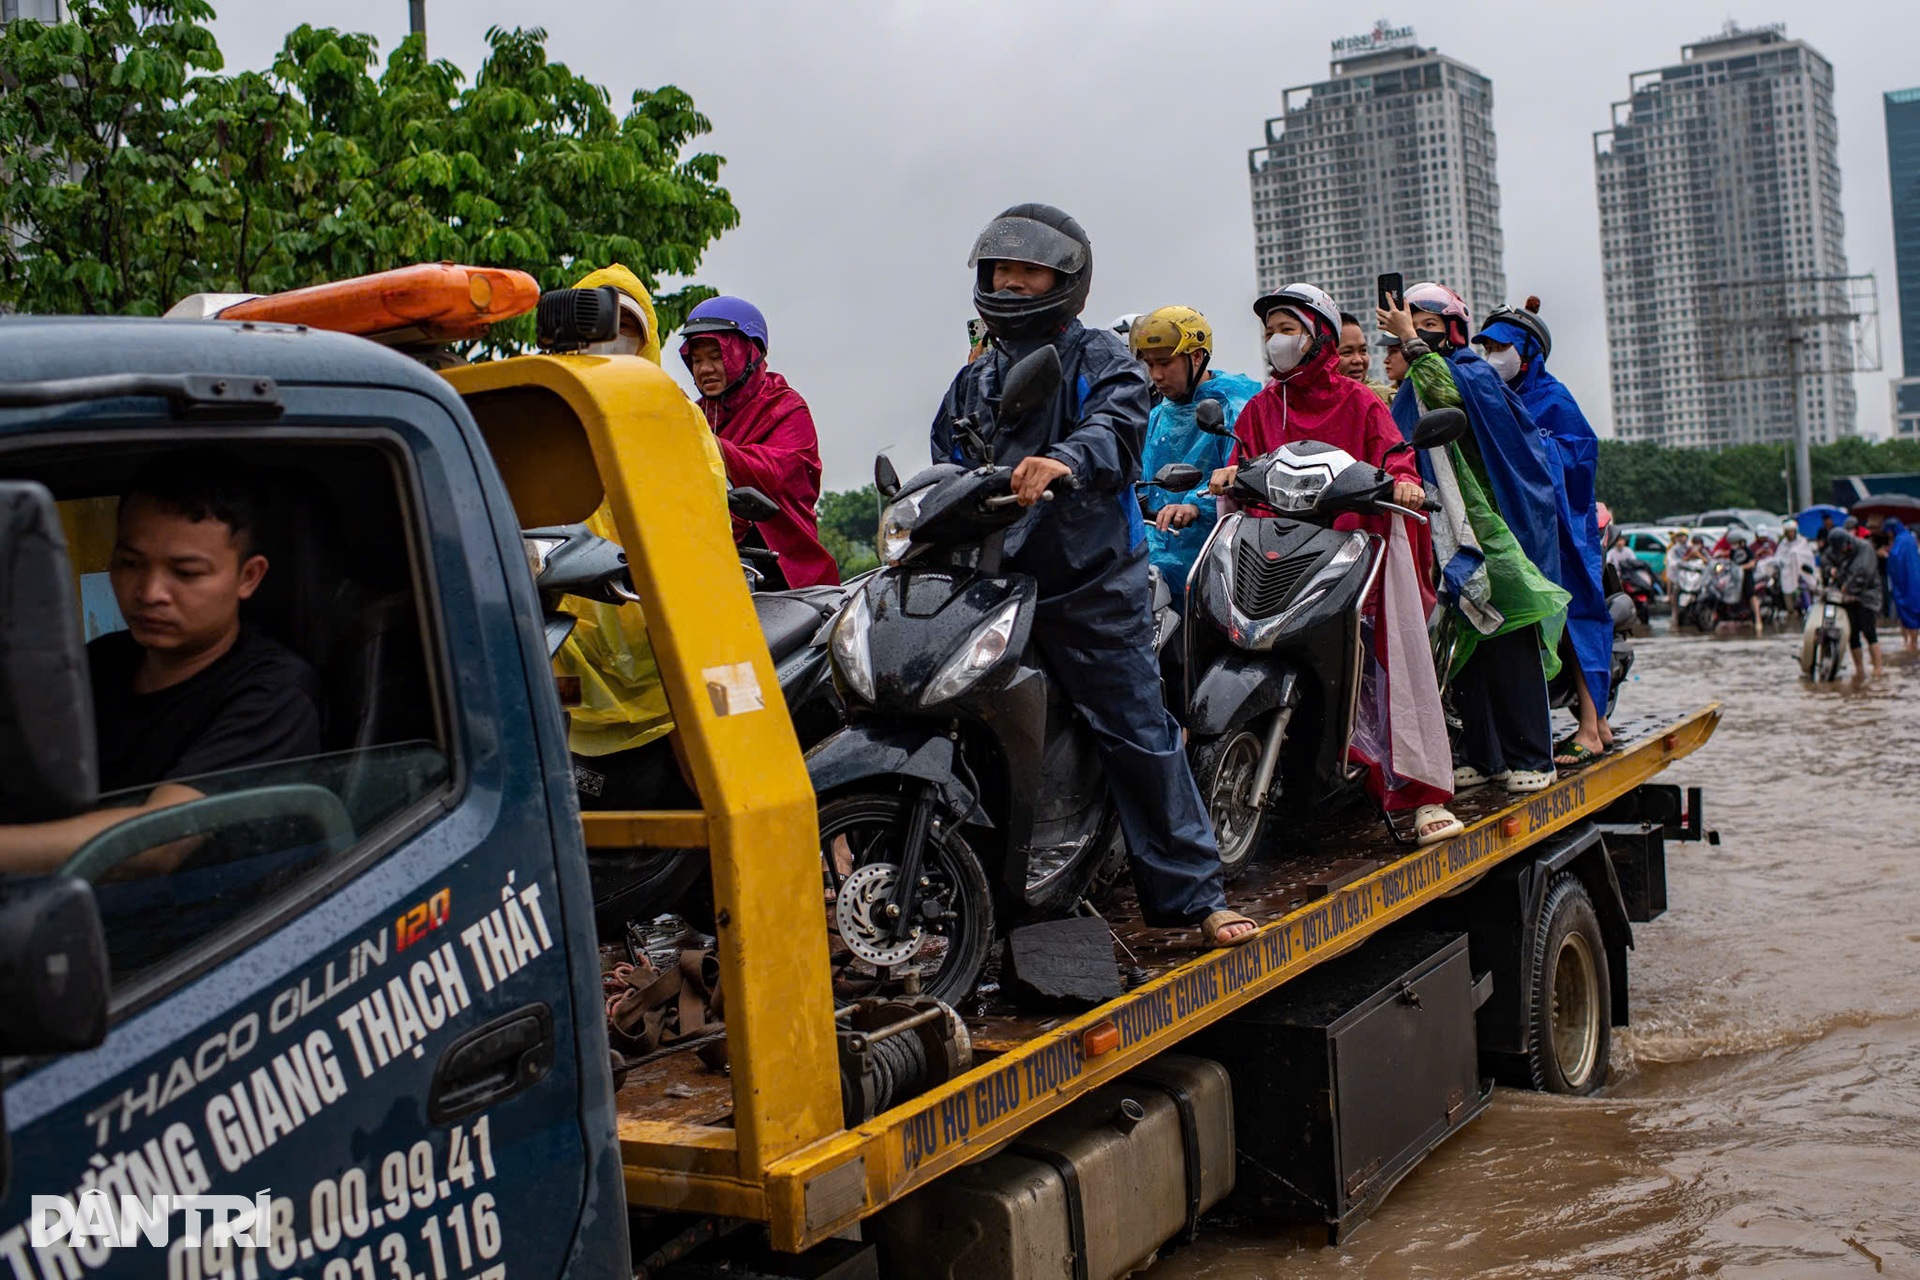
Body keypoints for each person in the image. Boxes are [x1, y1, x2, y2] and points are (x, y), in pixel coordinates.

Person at [934, 203, 1253, 946]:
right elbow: (949, 460)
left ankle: (1196, 895)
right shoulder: (974, 378)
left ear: (1065, 280)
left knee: (1135, 727)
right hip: (996, 581)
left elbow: (1115, 427)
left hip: (1090, 581)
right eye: (1001, 271)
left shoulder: (1099, 358)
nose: (1011, 283)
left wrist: (1065, 459)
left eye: (1028, 271)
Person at [1207, 283, 1462, 845]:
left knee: (1382, 663)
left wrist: (1405, 481)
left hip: (1348, 554)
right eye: (1270, 331)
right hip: (1275, 553)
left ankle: (1418, 793)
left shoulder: (1360, 402)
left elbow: (1396, 455)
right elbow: (1241, 460)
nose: (1276, 341)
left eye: (1288, 329)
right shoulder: (1261, 406)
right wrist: (1227, 474)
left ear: (1317, 335)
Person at [0, 450, 322, 874]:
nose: (150, 592)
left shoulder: (274, 695)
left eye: (186, 573)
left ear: (248, 577)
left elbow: (157, 844)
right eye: (130, 563)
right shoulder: (102, 661)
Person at [1381, 283, 1569, 795]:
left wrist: (1411, 344)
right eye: (1411, 325)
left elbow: (1449, 398)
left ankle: (1532, 754)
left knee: (1506, 640)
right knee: (1463, 643)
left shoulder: (1471, 372)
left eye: (1428, 325)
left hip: (1492, 528)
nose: (1416, 333)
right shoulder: (1412, 384)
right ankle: (1483, 755)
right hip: (1442, 525)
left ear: (1453, 330)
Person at [1472, 299, 1614, 767]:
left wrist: (1531, 446)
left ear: (1529, 353)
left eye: (1501, 348)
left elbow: (1578, 457)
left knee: (1577, 622)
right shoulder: (1490, 397)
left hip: (1562, 529)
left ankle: (1590, 728)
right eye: (1486, 348)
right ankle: (1595, 724)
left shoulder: (1554, 399)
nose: (1492, 357)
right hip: (1517, 529)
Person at [678, 296, 839, 590]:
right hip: (703, 562)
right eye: (697, 360)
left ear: (750, 353)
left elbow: (779, 476)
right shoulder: (694, 416)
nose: (704, 369)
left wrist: (706, 441)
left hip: (782, 573)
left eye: (716, 356)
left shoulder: (786, 407)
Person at [1129, 306, 1258, 606]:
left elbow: (1245, 476)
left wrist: (1195, 506)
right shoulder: (1158, 415)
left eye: (1165, 363)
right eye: (1149, 364)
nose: (1156, 375)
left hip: (1217, 563)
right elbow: (1144, 482)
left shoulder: (1233, 407)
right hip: (1158, 557)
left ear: (1196, 357)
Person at [1824, 527, 1885, 678]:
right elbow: (1827, 559)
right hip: (1848, 598)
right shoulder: (1842, 550)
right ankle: (1859, 670)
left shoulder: (1865, 548)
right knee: (1852, 634)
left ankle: (1878, 669)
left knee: (1869, 632)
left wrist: (1847, 589)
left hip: (1867, 597)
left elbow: (1864, 574)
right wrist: (1831, 571)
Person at [1884, 518, 1920, 653]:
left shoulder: (1901, 540)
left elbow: (1896, 558)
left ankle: (1910, 644)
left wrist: (1887, 553)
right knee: (1910, 614)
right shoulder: (1909, 538)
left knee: (1907, 614)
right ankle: (1911, 644)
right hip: (1913, 581)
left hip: (1905, 584)